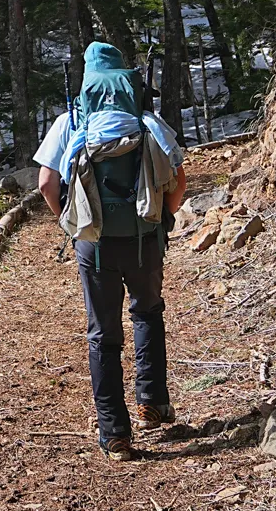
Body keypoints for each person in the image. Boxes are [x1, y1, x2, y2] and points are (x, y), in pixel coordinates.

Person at [34, 40, 189, 462]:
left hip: (94, 243)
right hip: (145, 239)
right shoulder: (146, 120)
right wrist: (163, 218)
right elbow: (178, 180)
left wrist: (71, 221)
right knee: (147, 312)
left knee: (103, 335)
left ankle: (115, 433)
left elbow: (46, 183)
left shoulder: (70, 121)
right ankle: (153, 402)